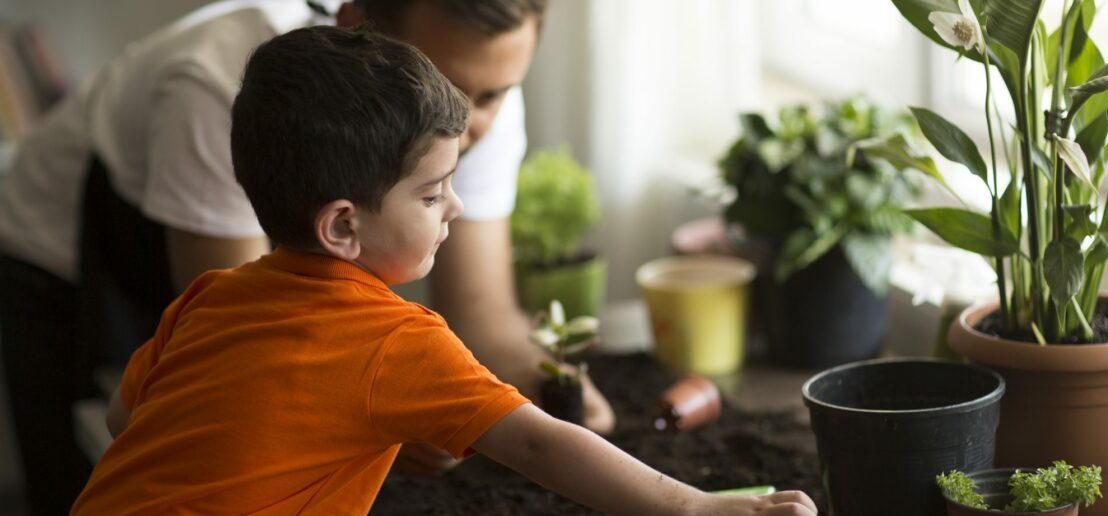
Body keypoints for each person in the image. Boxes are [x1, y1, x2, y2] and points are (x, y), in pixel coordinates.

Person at [69, 26, 816, 515]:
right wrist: (699, 508)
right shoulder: (396, 338)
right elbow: (539, 443)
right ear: (341, 225)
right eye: (432, 193)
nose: (455, 209)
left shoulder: (209, 298)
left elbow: (125, 421)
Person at [0, 1, 611, 512]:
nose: (476, 122)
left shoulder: (458, 110)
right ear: (356, 26)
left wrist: (551, 390)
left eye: (497, 92)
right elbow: (260, 356)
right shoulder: (219, 88)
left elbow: (480, 314)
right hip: (58, 252)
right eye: (456, 88)